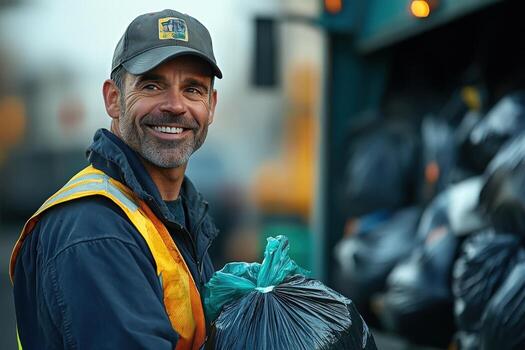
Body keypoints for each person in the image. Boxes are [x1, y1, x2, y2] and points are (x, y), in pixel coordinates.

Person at [10, 9, 222, 349]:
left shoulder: (171, 212)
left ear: (210, 106)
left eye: (193, 89)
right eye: (152, 85)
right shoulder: (94, 230)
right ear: (113, 99)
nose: (175, 106)